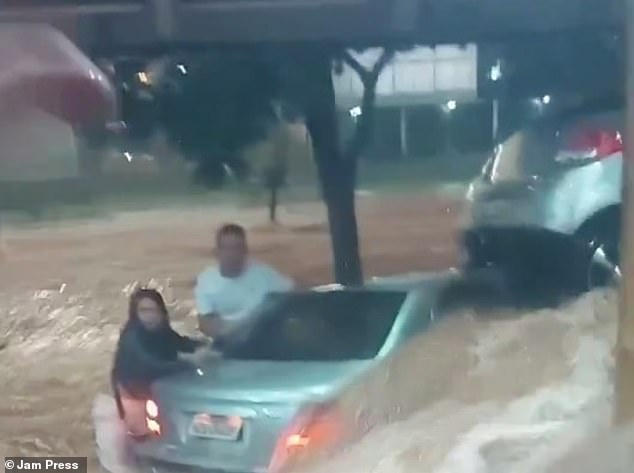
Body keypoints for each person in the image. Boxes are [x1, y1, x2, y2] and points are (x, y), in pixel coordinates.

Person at [111, 288, 209, 435]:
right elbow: (149, 366)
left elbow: (181, 343)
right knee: (145, 440)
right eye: (144, 311)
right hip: (133, 394)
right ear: (135, 314)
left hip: (156, 390)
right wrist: (188, 365)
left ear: (162, 312)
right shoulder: (132, 338)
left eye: (154, 311)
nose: (150, 316)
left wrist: (206, 345)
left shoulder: (162, 331)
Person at [195, 223, 293, 340]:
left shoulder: (266, 276)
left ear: (245, 250)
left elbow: (294, 295)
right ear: (217, 252)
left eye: (237, 248)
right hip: (228, 343)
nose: (232, 254)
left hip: (263, 339)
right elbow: (205, 324)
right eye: (226, 248)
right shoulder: (206, 281)